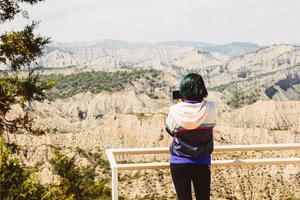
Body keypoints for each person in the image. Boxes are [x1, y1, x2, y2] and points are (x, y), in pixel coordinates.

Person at [166, 73, 216, 200]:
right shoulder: (211, 108)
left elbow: (170, 130)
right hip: (202, 161)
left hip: (179, 161)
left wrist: (181, 105)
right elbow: (211, 125)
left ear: (183, 90)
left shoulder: (175, 109)